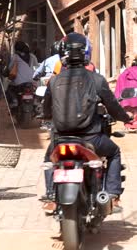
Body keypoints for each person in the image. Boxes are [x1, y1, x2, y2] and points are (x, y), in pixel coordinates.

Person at [42, 33, 134, 213]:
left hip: (61, 139)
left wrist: (46, 117)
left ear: (63, 55)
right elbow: (113, 106)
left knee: (49, 159)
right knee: (114, 152)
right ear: (86, 54)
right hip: (91, 138)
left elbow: (45, 110)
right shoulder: (97, 79)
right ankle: (113, 195)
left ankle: (52, 196)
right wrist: (126, 118)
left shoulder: (54, 81)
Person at [6, 41, 35, 108]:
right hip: (31, 80)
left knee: (9, 89)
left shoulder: (15, 57)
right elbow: (36, 66)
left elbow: (10, 67)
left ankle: (14, 100)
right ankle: (35, 103)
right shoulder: (32, 56)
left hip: (19, 81)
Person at [115, 55, 137, 130]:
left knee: (129, 111)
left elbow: (120, 80)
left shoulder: (127, 71)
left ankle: (128, 125)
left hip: (128, 95)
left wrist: (118, 95)